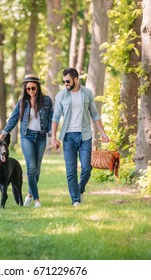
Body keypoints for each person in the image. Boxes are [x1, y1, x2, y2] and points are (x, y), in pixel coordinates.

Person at [51, 68, 109, 207]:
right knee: (71, 170)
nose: (65, 83)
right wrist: (53, 137)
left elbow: (94, 114)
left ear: (76, 79)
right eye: (63, 81)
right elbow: (56, 117)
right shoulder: (61, 95)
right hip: (68, 137)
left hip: (85, 136)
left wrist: (103, 133)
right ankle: (75, 200)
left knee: (87, 168)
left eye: (68, 81)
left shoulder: (87, 93)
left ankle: (80, 189)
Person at [0, 74, 53, 208]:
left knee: (37, 170)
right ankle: (37, 200)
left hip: (41, 137)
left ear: (38, 87)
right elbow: (13, 119)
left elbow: (51, 118)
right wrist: (4, 133)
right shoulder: (22, 102)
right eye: (28, 88)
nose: (30, 91)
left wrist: (52, 134)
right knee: (30, 169)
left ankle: (29, 194)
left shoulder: (46, 101)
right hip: (26, 136)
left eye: (33, 88)